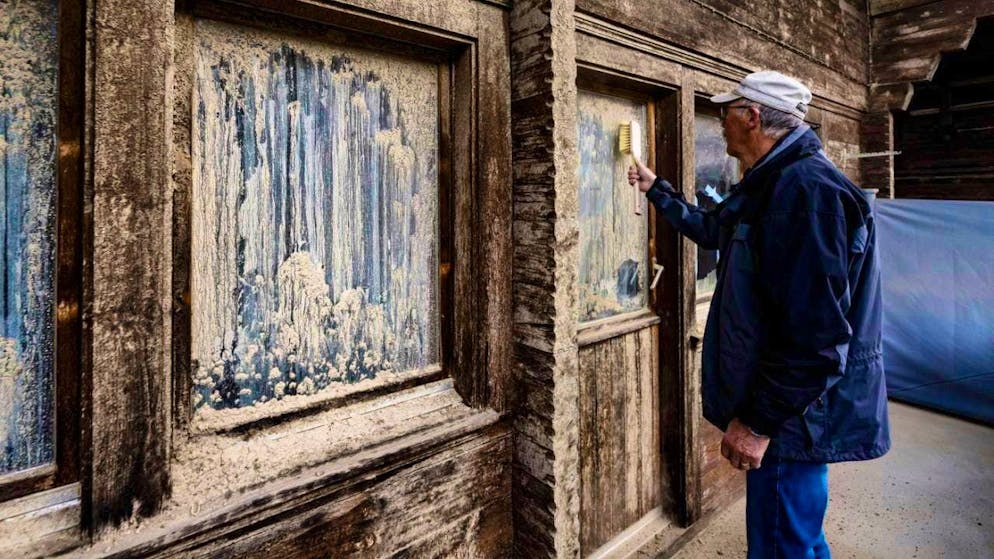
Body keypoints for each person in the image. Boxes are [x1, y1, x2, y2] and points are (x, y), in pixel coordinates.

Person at [628, 70, 890, 558]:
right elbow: (714, 229)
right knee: (798, 538)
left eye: (726, 113)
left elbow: (815, 336)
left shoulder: (806, 194)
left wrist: (758, 424)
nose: (720, 122)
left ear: (751, 117)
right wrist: (655, 189)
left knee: (780, 544)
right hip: (791, 407)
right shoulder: (771, 182)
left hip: (793, 415)